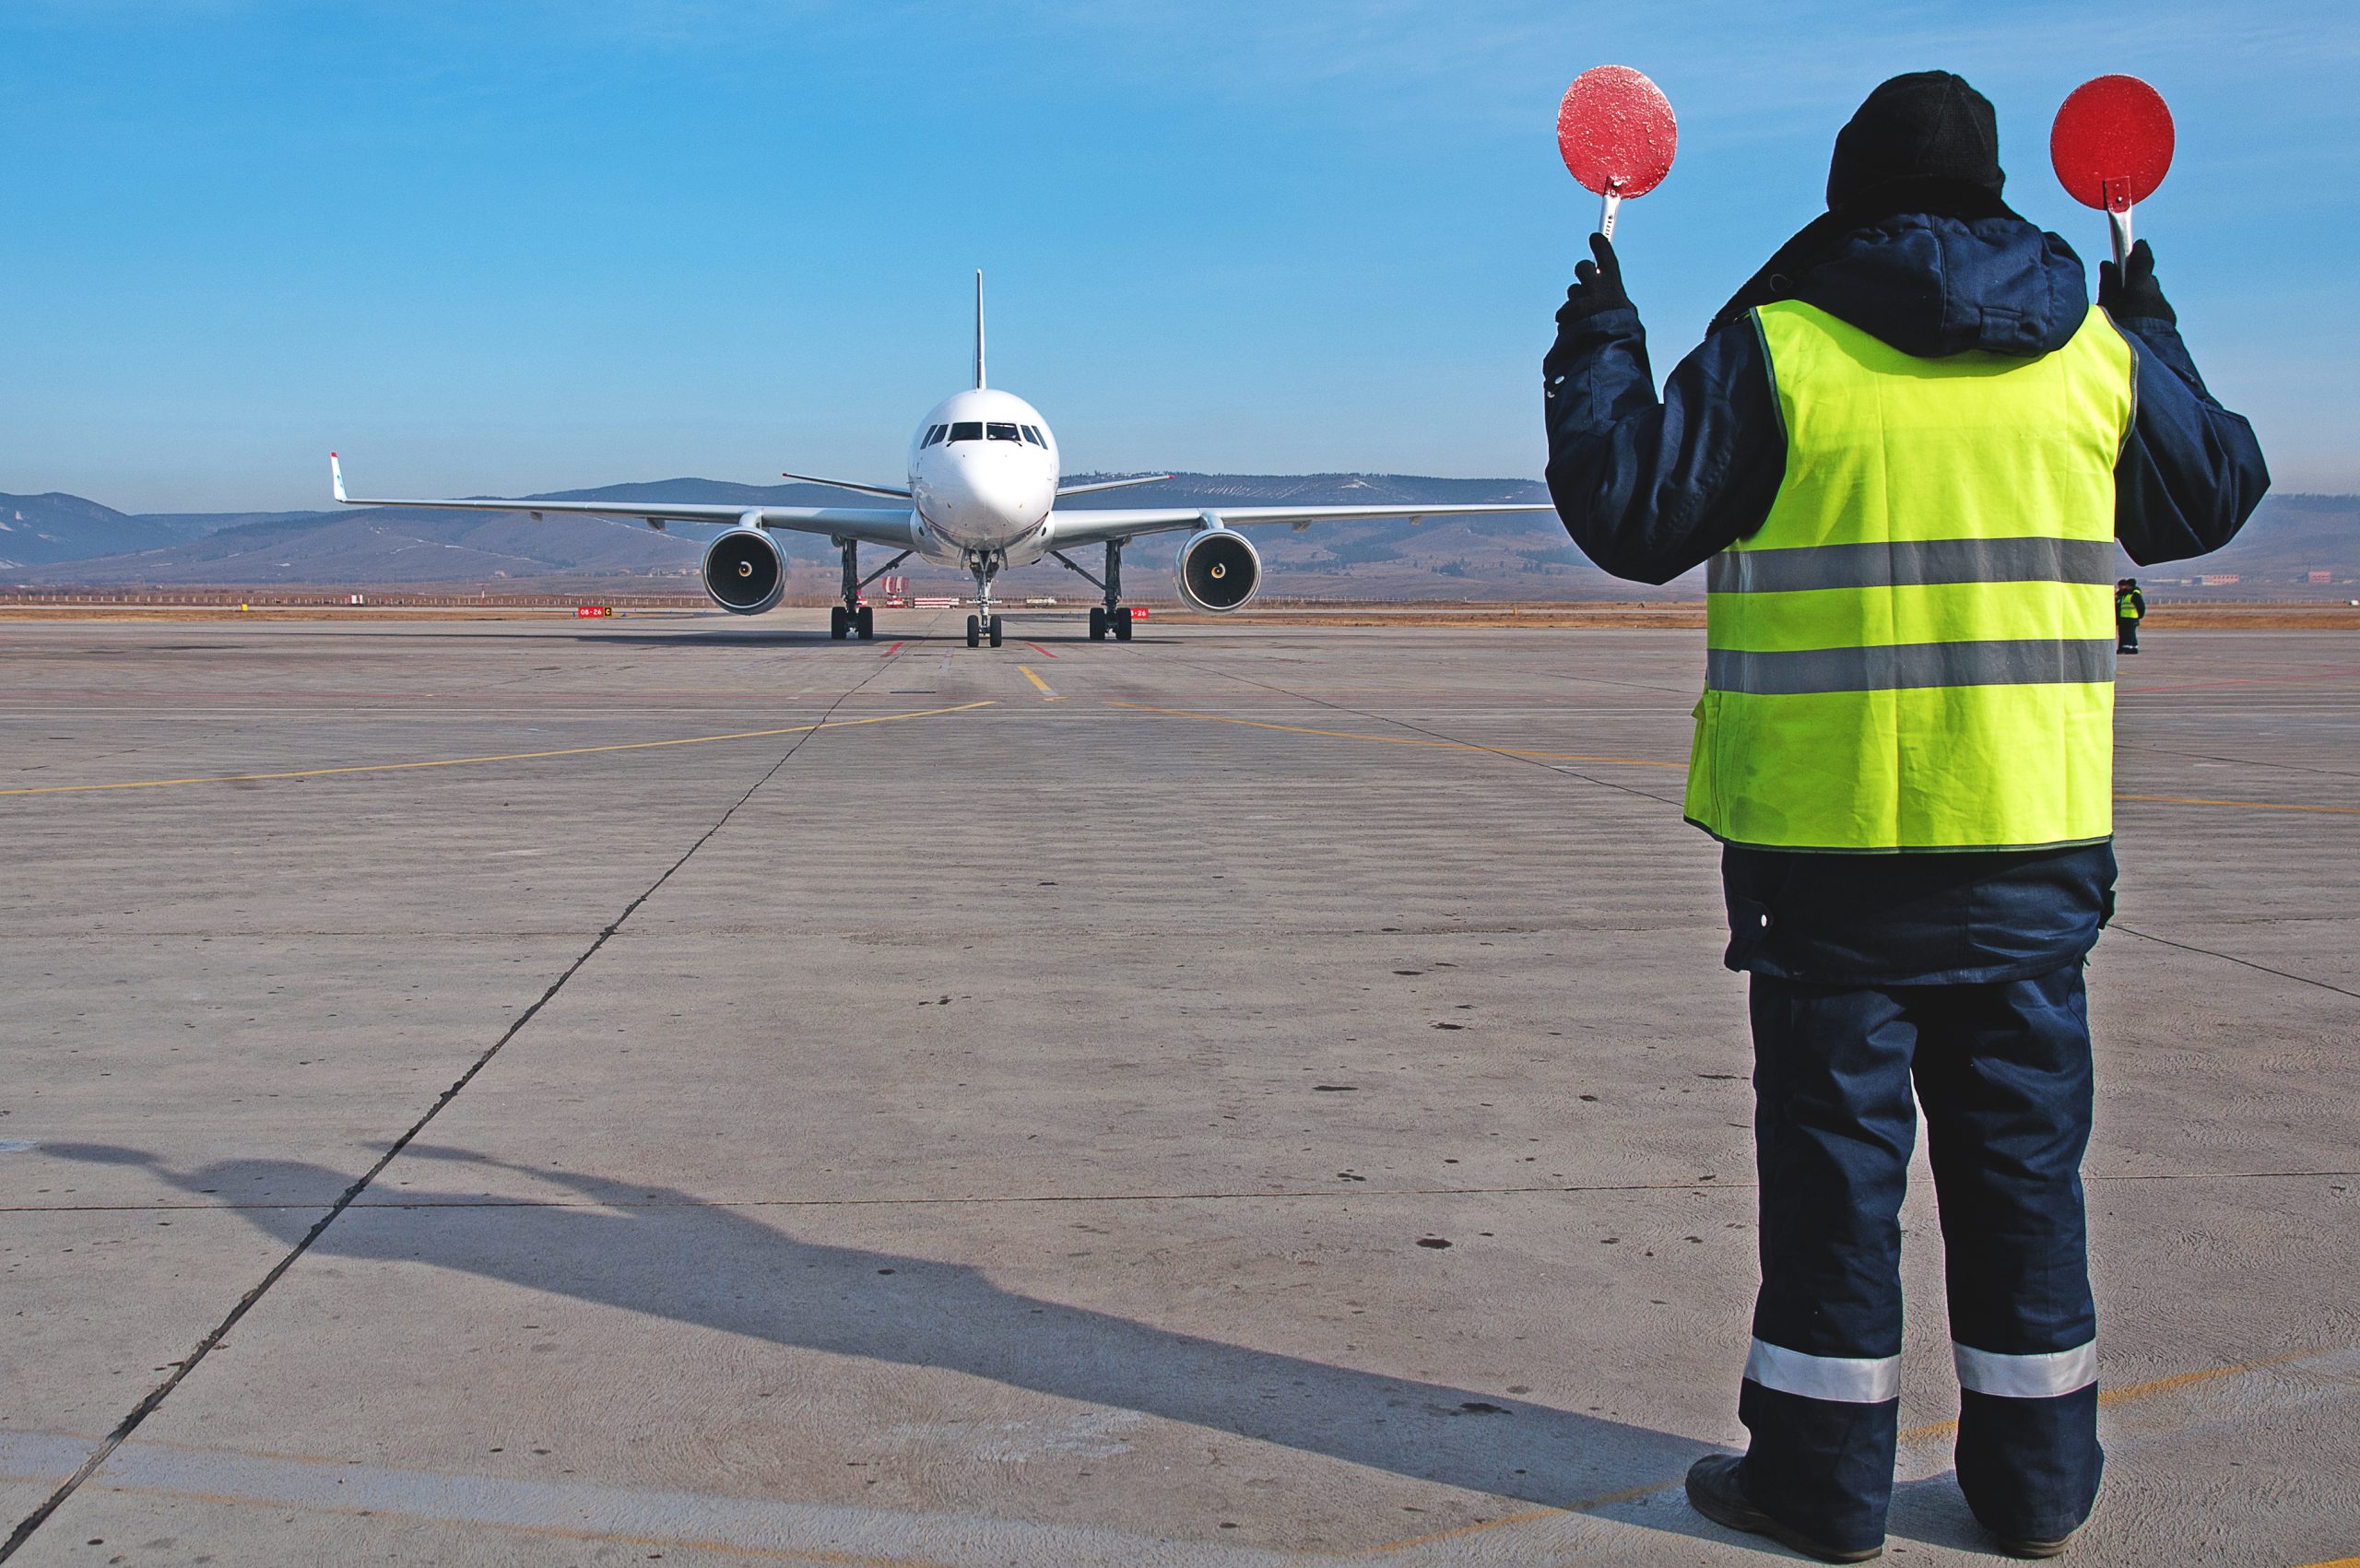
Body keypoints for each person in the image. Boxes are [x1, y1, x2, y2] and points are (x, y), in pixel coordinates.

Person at [1540, 71, 2267, 1562]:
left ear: (1846, 189)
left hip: (1830, 861)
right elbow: (2215, 489)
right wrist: (2148, 311)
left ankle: (1819, 1483)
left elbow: (1627, 508)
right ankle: (2039, 1486)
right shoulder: (2088, 356)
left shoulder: (1782, 348)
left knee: (1834, 1185)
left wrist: (1598, 335)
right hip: (2029, 848)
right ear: (2000, 190)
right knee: (2022, 1180)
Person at [2116, 578, 2146, 653]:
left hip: (2131, 617)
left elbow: (2141, 606)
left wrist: (2140, 616)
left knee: (2128, 634)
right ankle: (2132, 648)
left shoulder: (2134, 594)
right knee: (2127, 633)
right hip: (2125, 617)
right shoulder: (2125, 594)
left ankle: (2127, 648)